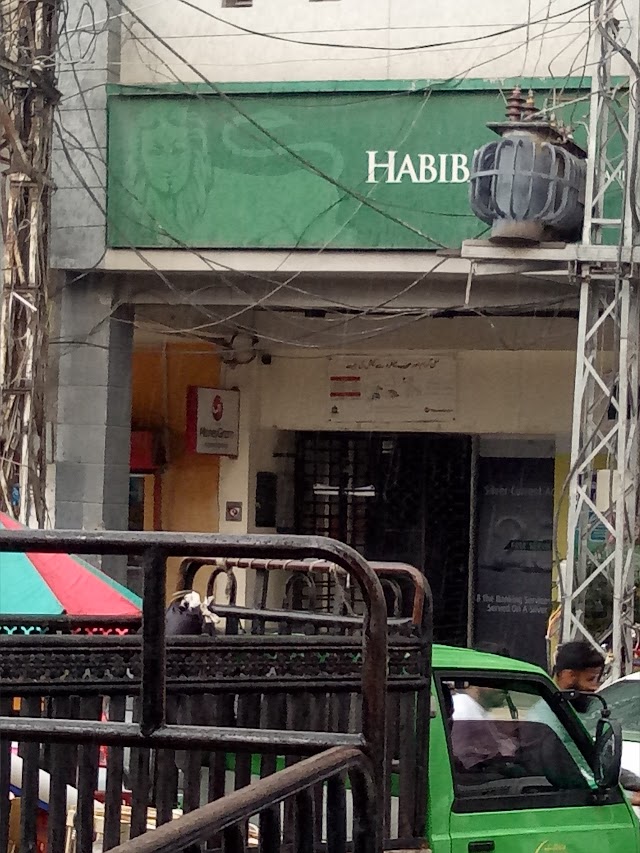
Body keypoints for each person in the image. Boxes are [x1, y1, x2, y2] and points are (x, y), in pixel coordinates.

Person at [528, 640, 640, 805]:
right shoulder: (547, 720)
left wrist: (633, 782)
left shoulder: (564, 710)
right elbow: (573, 776)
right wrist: (628, 797)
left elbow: (592, 762)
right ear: (569, 676)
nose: (595, 687)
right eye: (590, 679)